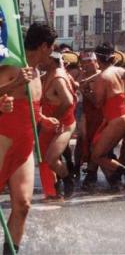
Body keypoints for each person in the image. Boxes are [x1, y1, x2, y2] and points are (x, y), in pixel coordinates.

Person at [0, 23, 57, 253]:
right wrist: (14, 84)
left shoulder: (37, 74)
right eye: (51, 48)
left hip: (25, 148)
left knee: (23, 205)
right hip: (4, 141)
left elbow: (30, 108)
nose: (52, 54)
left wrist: (42, 119)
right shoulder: (13, 67)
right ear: (43, 46)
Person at [90, 43, 125, 191]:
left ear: (99, 59)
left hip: (115, 119)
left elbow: (98, 102)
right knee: (99, 149)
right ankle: (114, 181)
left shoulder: (103, 77)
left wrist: (86, 90)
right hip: (123, 115)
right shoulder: (120, 70)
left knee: (97, 156)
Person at [39, 49, 77, 200]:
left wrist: (55, 119)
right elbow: (76, 86)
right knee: (44, 157)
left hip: (63, 124)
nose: (40, 61)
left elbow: (68, 101)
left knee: (51, 158)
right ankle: (53, 188)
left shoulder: (58, 77)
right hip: (52, 123)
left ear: (51, 60)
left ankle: (68, 180)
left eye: (43, 59)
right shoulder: (52, 73)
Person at [77, 51, 103, 190]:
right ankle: (87, 171)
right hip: (87, 113)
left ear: (96, 62)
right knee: (85, 141)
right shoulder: (83, 75)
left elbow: (97, 102)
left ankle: (93, 173)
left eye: (89, 62)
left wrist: (85, 90)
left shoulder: (100, 75)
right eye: (84, 62)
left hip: (100, 114)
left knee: (97, 144)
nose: (86, 65)